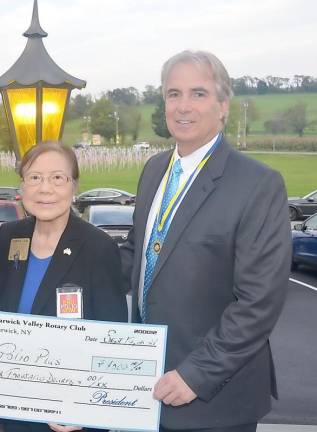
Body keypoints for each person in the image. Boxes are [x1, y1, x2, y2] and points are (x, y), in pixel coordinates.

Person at [119, 50, 291, 432]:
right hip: (147, 389)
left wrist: (197, 374)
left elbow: (258, 301)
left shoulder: (257, 184)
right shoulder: (153, 171)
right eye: (173, 94)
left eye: (198, 94)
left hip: (212, 400)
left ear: (223, 105)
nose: (183, 107)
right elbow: (137, 255)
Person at [0, 142, 128, 432]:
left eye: (57, 178)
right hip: (14, 410)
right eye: (34, 177)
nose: (45, 188)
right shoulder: (8, 237)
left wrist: (85, 412)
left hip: (70, 420)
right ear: (22, 186)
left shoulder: (98, 248)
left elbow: (111, 341)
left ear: (73, 186)